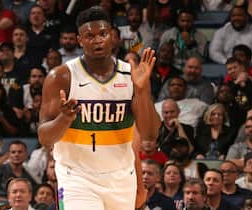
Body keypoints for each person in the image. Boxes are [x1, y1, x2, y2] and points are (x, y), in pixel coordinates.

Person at [38, 6, 160, 210]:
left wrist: (141, 91)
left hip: (121, 177)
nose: (97, 40)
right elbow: (44, 138)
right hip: (77, 177)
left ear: (113, 36)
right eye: (89, 36)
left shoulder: (133, 75)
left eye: (103, 34)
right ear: (80, 40)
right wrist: (65, 118)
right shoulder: (61, 77)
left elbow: (149, 133)